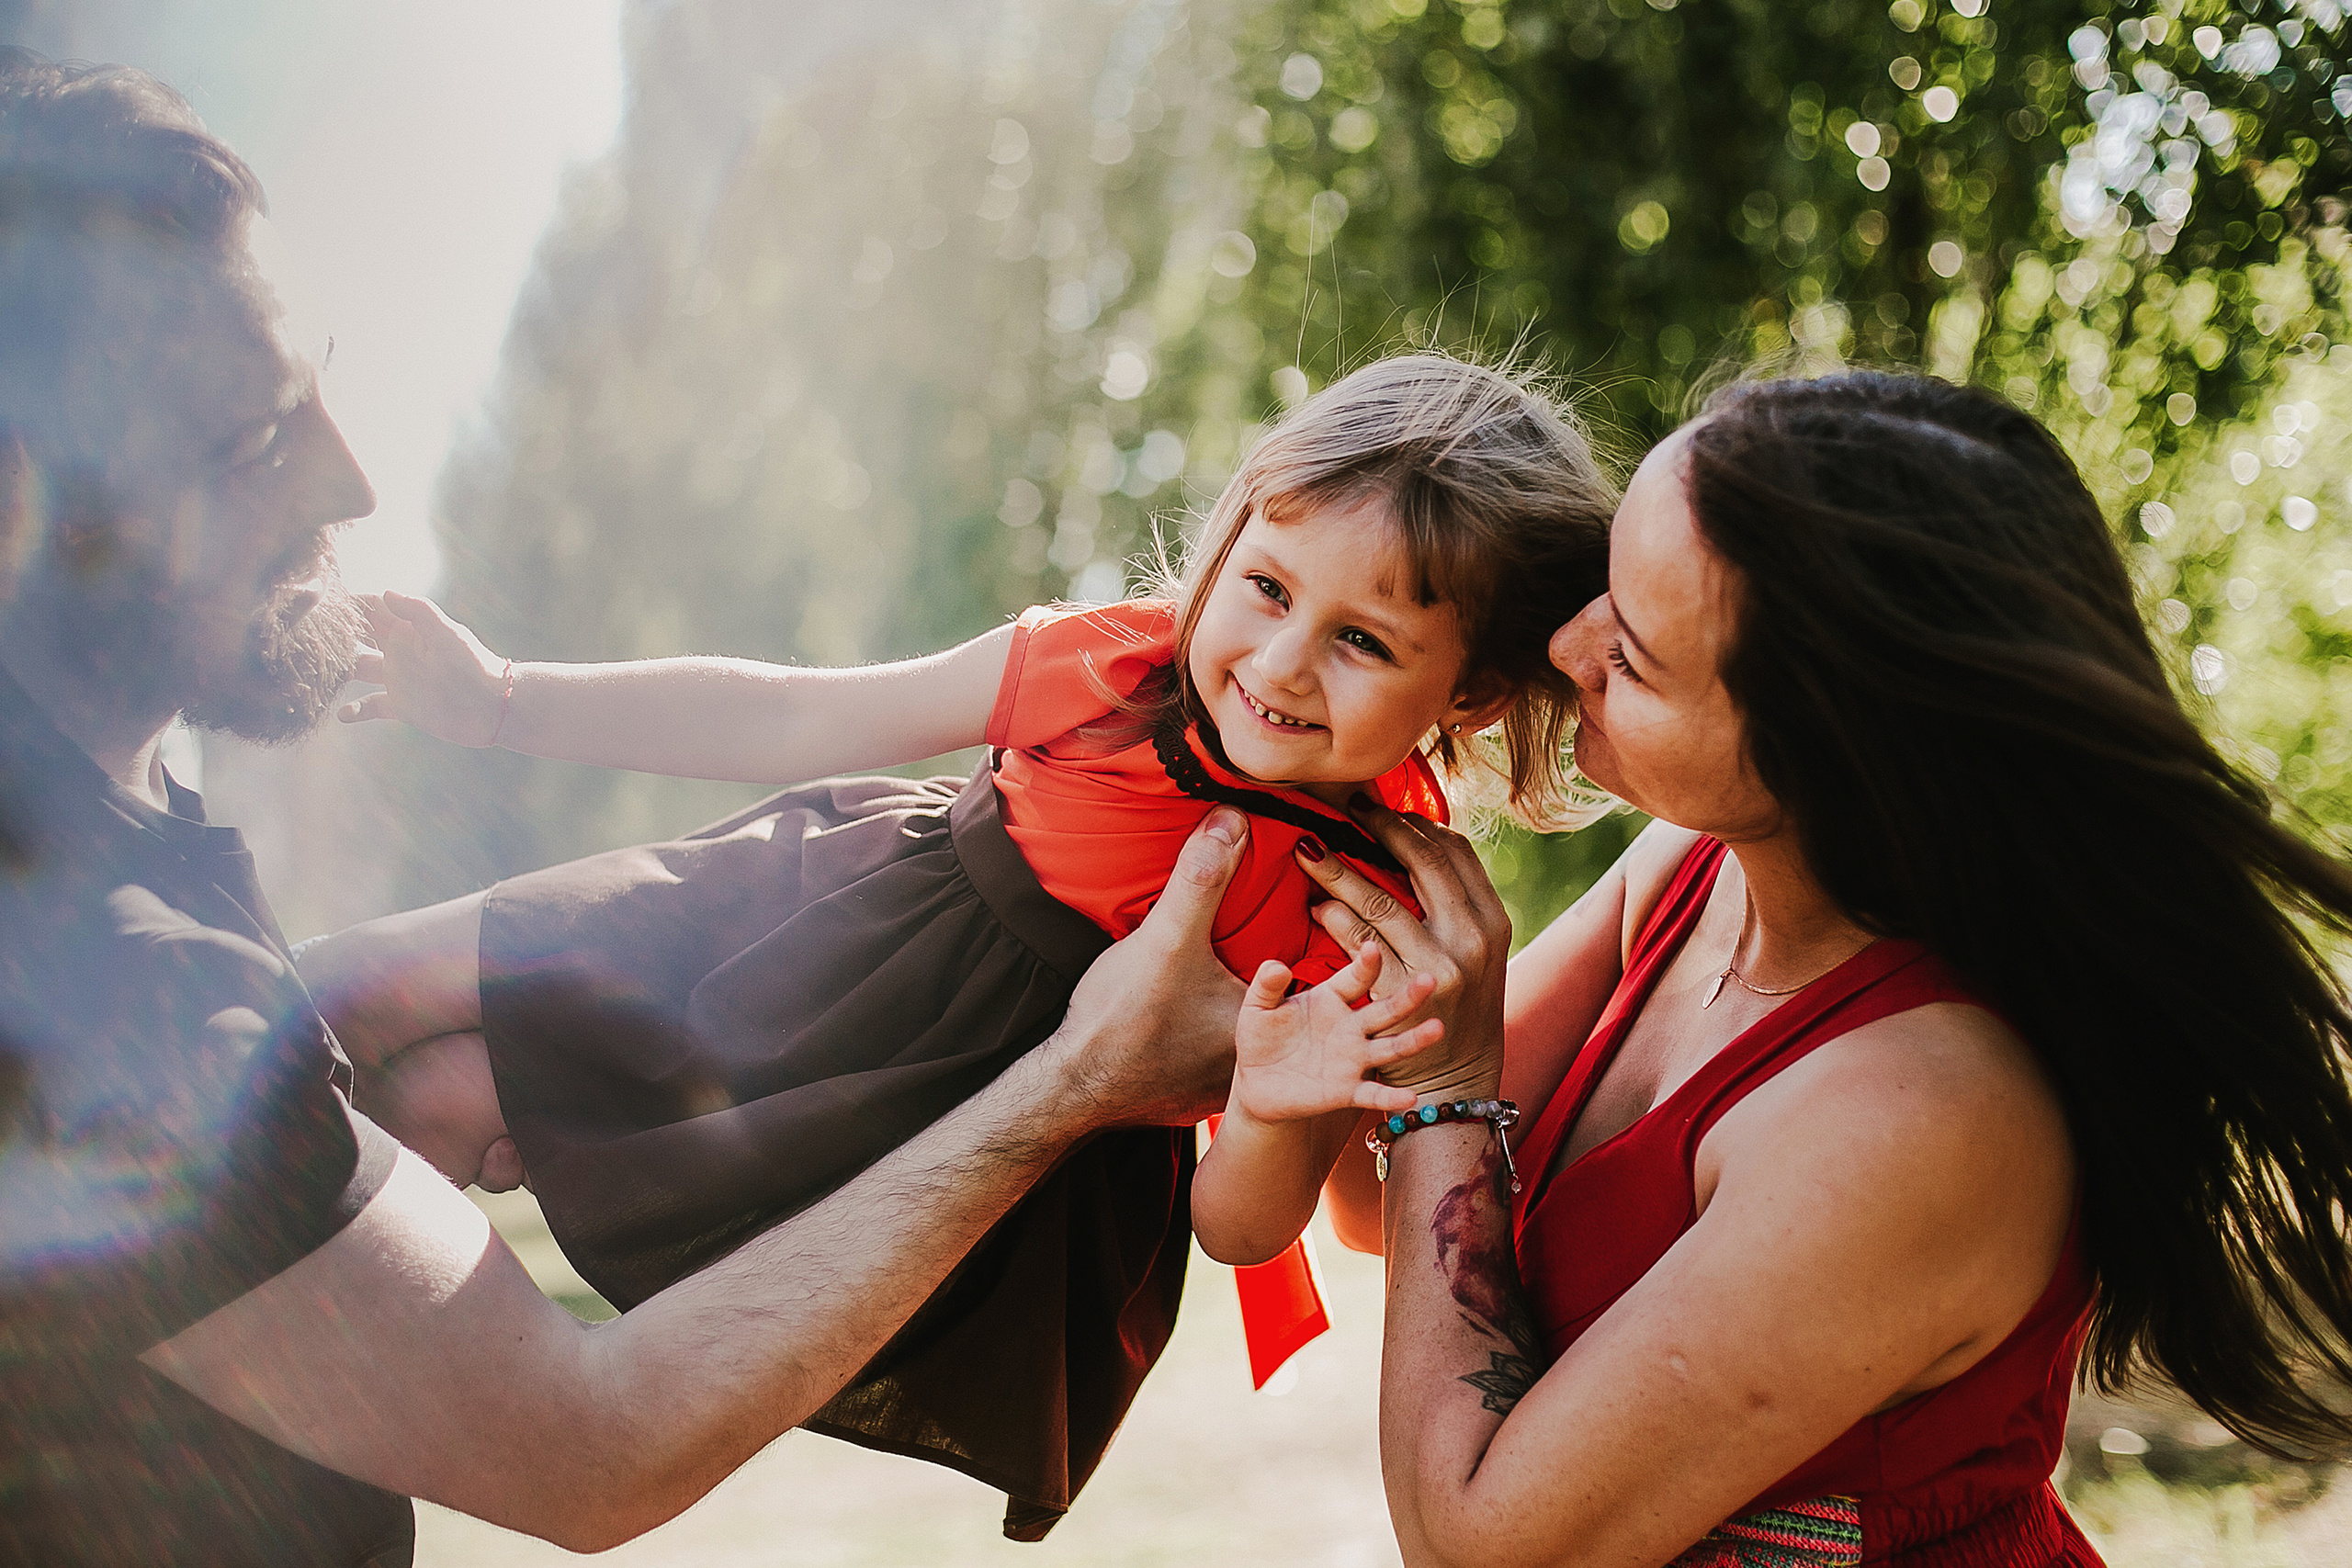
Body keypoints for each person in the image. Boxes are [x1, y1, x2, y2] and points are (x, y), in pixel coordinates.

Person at [0, 50, 1263, 1565]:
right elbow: (591, 1450)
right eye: (255, 440)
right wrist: (1075, 1083)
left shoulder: (112, 849)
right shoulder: (88, 974)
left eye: (320, 383)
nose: (350, 483)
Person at [296, 350, 1614, 1529]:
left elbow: (1242, 1228)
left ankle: (286, 1467)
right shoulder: (1106, 671)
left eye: (1364, 642)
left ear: (1474, 690)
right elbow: (793, 720)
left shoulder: (1363, 903)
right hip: (801, 930)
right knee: (349, 988)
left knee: (436, 1099)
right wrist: (504, 697)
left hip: (920, 1118)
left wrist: (1268, 1104)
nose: (1281, 661)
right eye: (1266, 587)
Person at [1249, 369, 2352, 1566]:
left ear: (1822, 756)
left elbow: (1477, 1544)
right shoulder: (1689, 876)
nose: (1566, 649)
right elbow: (1383, 1206)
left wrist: (1446, 1085)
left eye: (1638, 652)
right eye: (1607, 586)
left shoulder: (1927, 1113)